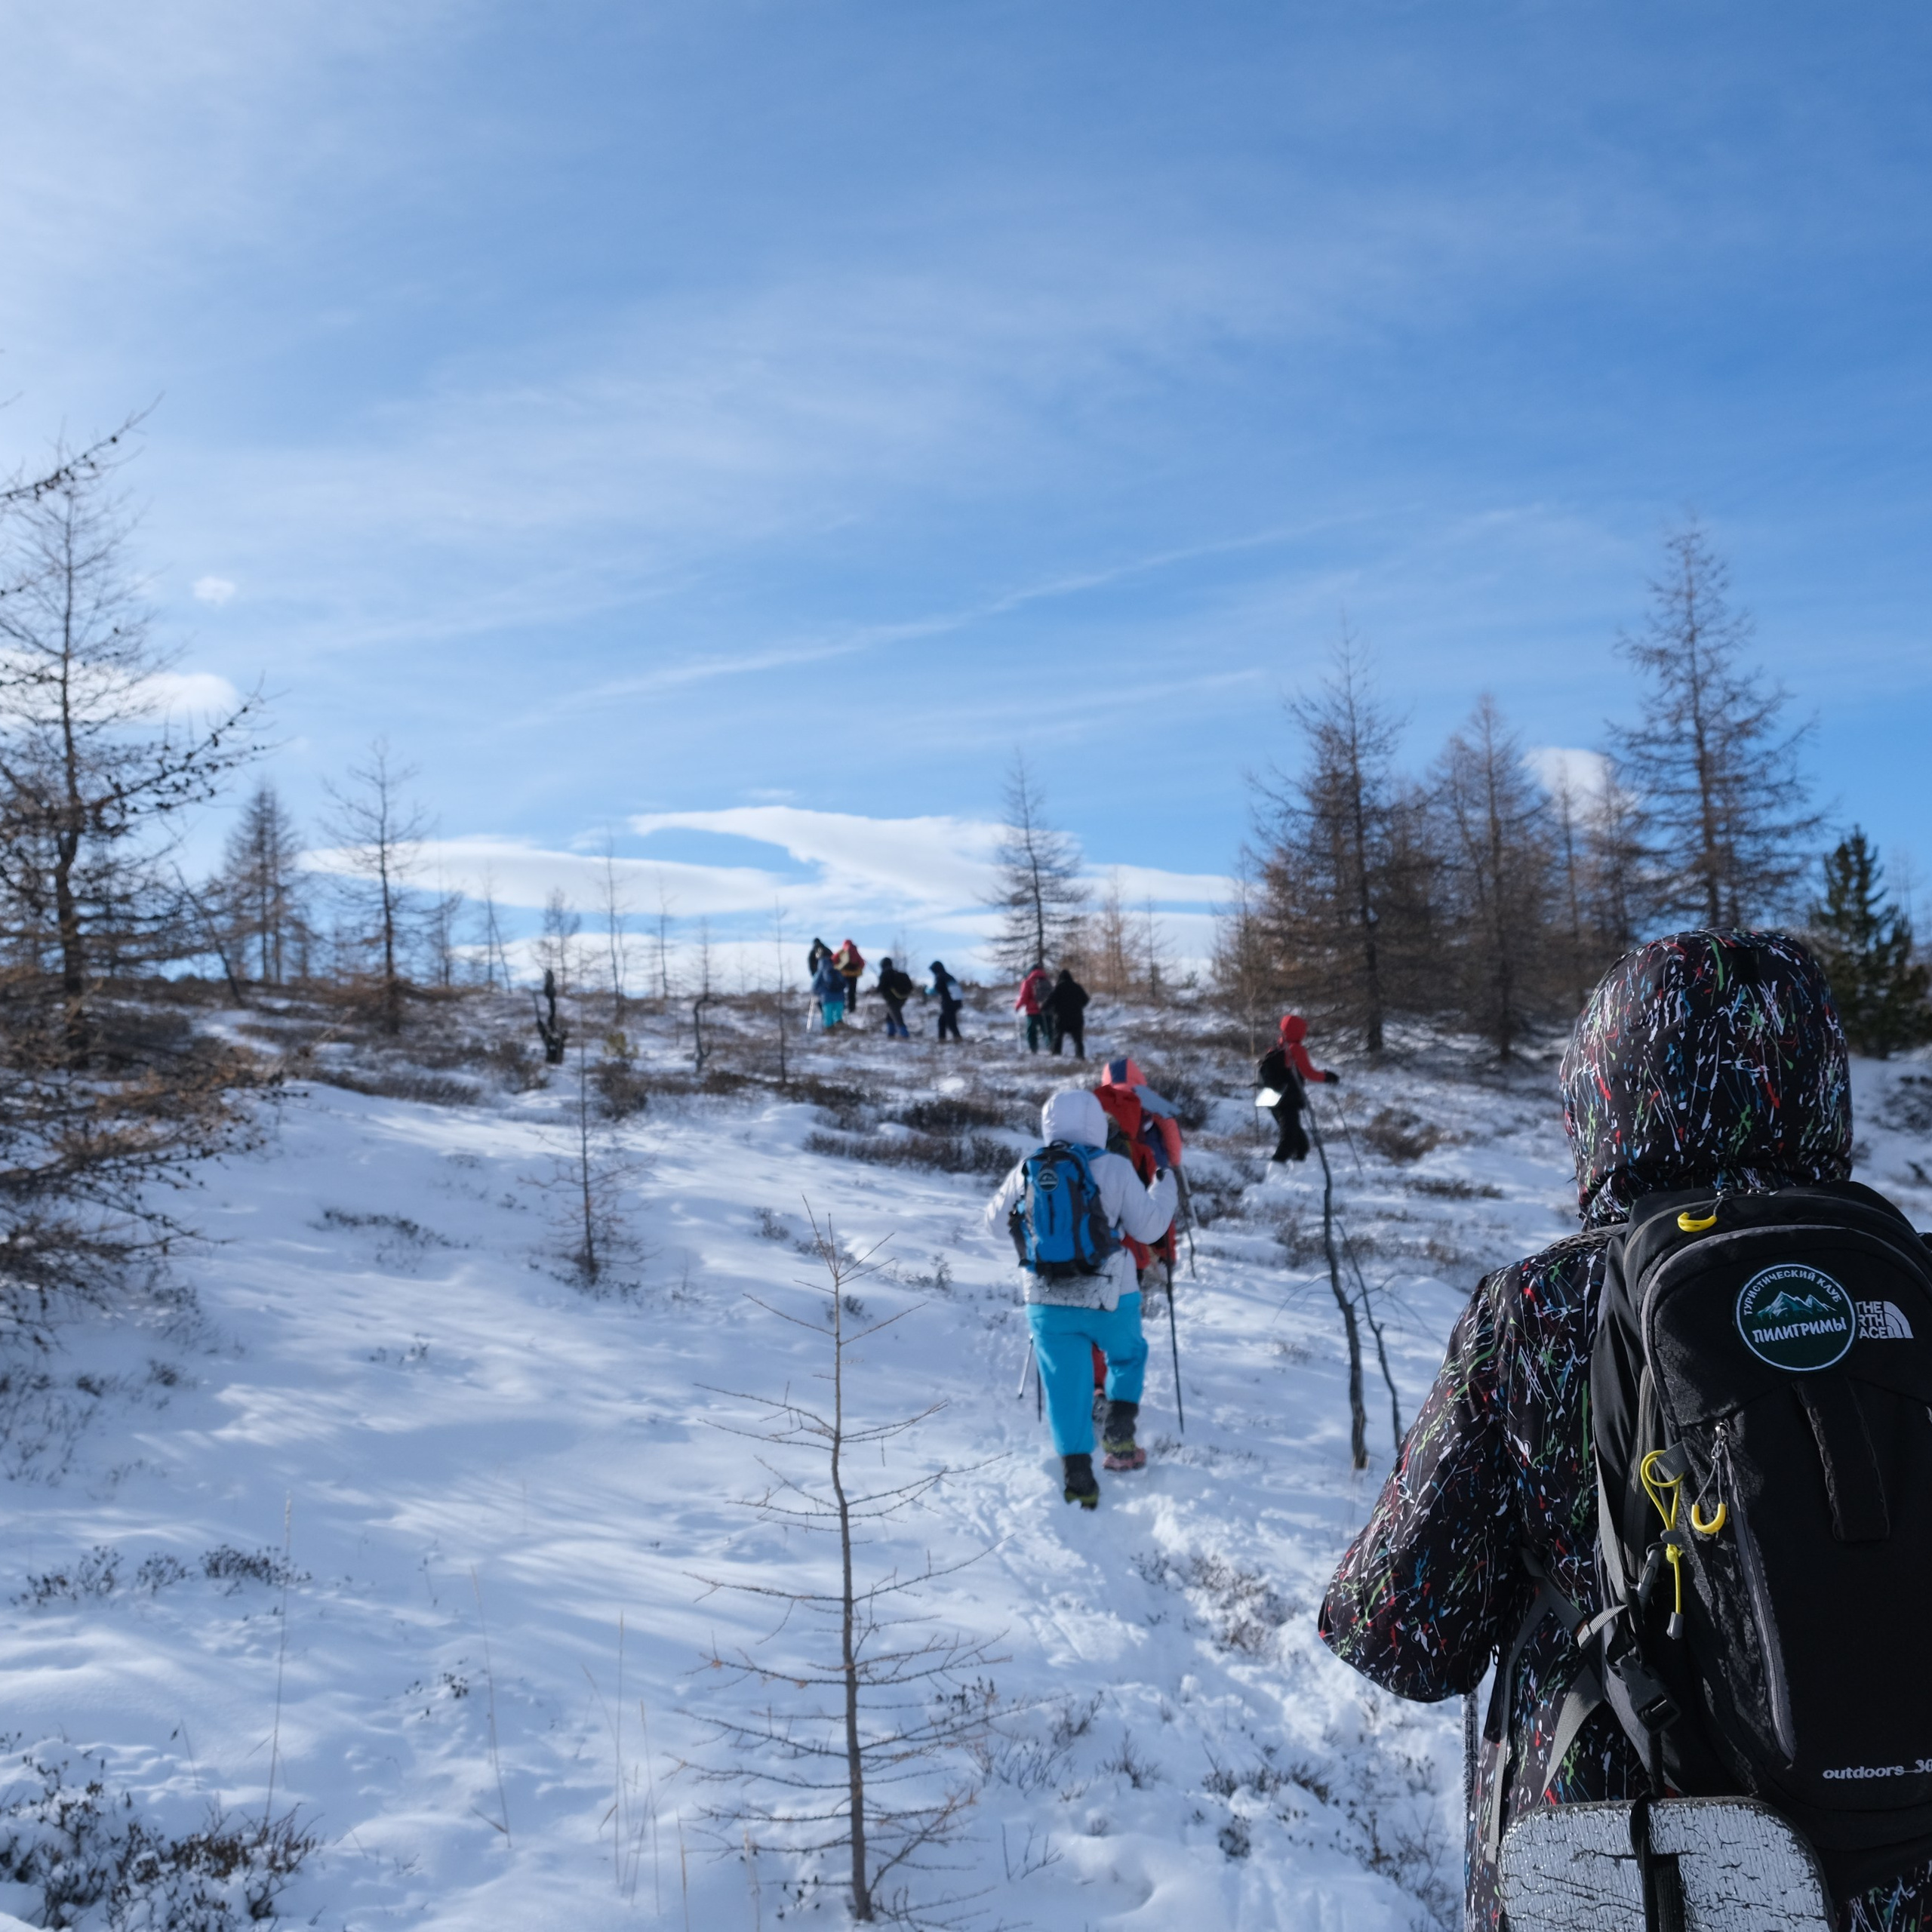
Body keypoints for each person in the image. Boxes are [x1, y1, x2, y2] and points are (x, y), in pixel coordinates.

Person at [1316, 929, 1931, 1930]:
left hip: (1618, 1875)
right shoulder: (1913, 1286)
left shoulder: (1541, 1309)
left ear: (1607, 1091)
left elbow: (1399, 1633)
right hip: (1892, 1872)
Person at [985, 1089, 1177, 1506]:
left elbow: (994, 1224)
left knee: (1064, 1384)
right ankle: (1120, 1437)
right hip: (1110, 1292)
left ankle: (1078, 1482)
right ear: (1096, 1124)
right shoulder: (1115, 1167)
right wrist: (1166, 1190)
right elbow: (1148, 1229)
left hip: (1045, 1296)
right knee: (1127, 1356)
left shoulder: (1029, 1166)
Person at [1255, 1013, 1337, 1161]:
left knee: (1301, 1145)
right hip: (1288, 1099)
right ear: (1299, 1031)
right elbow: (1309, 1073)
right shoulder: (1296, 1049)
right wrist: (1327, 1077)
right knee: (1289, 1140)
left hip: (1272, 1098)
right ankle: (1275, 1171)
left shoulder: (1275, 1048)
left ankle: (1296, 1171)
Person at [1043, 967, 1090, 1059]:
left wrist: (1043, 1008)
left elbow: (1049, 1001)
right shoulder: (1077, 987)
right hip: (1076, 1018)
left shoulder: (1058, 988)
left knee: (1058, 1037)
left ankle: (1057, 1055)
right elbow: (1086, 1000)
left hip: (1061, 1018)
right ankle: (1080, 1056)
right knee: (1078, 1040)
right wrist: (1079, 1006)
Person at [1014, 962, 1053, 1053]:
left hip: (1032, 1012)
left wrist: (1017, 1006)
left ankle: (1034, 1050)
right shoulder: (1046, 980)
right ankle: (1051, 1048)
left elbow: (1024, 997)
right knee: (1047, 1031)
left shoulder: (1027, 981)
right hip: (1046, 1010)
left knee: (1032, 1032)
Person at [873, 956, 913, 1039]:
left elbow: (880, 988)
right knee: (890, 1015)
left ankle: (905, 1035)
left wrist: (872, 991)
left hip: (892, 1000)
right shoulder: (898, 974)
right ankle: (891, 1034)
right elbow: (911, 987)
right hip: (903, 998)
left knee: (897, 1016)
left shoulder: (885, 974)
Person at [926, 961, 964, 1043]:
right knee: (943, 1021)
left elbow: (936, 990)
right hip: (957, 1001)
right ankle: (942, 1039)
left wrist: (927, 990)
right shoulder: (949, 976)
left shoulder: (940, 977)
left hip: (949, 1002)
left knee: (950, 1022)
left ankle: (956, 1038)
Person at [810, 951, 847, 1029]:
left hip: (826, 998)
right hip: (839, 997)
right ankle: (840, 1031)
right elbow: (844, 983)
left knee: (828, 1017)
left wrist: (815, 993)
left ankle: (829, 1031)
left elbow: (815, 986)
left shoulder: (820, 972)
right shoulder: (837, 970)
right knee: (838, 1016)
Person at [833, 939, 865, 1024]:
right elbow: (862, 963)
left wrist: (837, 968)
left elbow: (833, 959)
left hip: (844, 974)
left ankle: (843, 1008)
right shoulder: (855, 951)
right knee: (852, 992)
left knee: (842, 991)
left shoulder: (842, 951)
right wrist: (858, 970)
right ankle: (852, 1008)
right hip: (854, 975)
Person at [808, 937, 832, 1026]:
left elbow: (810, 964)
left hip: (818, 975)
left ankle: (824, 1016)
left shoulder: (813, 951)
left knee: (818, 995)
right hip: (829, 976)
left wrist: (814, 974)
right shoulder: (827, 950)